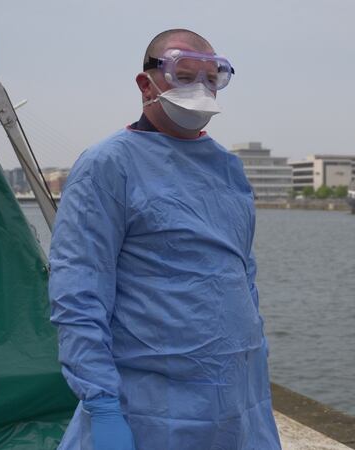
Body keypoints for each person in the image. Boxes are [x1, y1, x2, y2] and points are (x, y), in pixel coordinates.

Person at [48, 29, 281, 450]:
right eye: (185, 75)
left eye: (212, 78)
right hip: (151, 408)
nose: (201, 89)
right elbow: (78, 292)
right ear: (146, 83)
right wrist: (101, 404)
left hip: (239, 400)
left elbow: (243, 277)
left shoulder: (229, 169)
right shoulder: (107, 165)